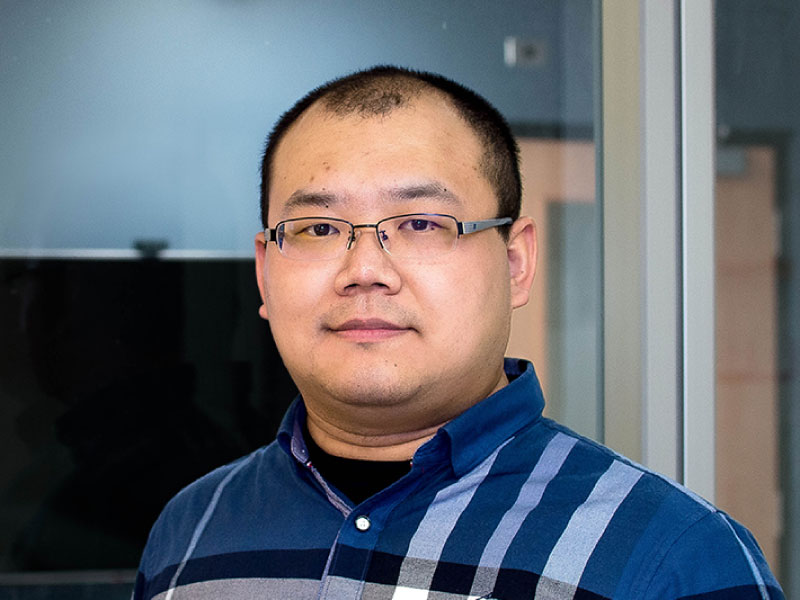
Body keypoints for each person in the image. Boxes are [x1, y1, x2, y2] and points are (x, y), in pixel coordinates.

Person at [133, 66, 783, 599]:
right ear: (264, 272)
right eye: (319, 230)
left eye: (421, 224)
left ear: (515, 262)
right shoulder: (192, 530)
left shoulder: (672, 557)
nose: (365, 271)